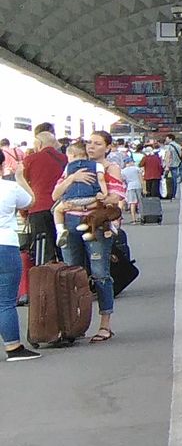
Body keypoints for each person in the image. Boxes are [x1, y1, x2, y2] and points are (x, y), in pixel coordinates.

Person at [50, 131, 123, 343]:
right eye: (90, 142)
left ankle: (105, 325)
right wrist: (72, 178)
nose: (91, 146)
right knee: (71, 273)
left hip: (96, 223)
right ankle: (73, 324)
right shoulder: (72, 167)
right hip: (71, 221)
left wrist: (93, 200)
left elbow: (116, 197)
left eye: (97, 143)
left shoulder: (110, 168)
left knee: (100, 273)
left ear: (107, 148)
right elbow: (55, 194)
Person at [2, 172, 40, 360]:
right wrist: (20, 178)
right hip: (5, 245)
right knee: (5, 301)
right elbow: (30, 201)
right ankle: (13, 347)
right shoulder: (10, 188)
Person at [19, 126, 65, 265]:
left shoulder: (30, 160)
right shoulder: (65, 159)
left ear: (39, 144)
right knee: (64, 249)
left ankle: (45, 277)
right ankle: (68, 276)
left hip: (38, 208)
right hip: (62, 208)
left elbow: (23, 185)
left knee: (43, 252)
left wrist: (23, 211)